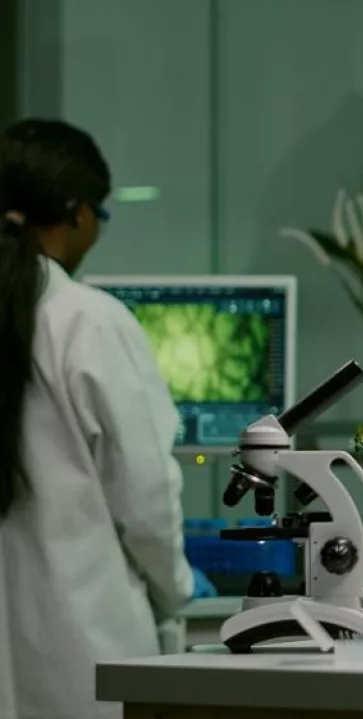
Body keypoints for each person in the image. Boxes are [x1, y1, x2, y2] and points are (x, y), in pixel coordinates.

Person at [0, 118, 209, 719]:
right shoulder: (87, 321)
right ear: (78, 214)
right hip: (80, 658)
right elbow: (144, 495)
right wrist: (178, 589)